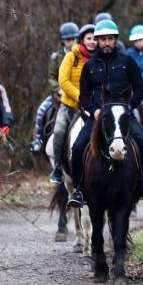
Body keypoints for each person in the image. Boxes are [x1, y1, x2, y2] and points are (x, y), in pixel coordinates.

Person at [68, 19, 143, 207]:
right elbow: (84, 95)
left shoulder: (128, 61)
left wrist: (129, 108)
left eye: (110, 39)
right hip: (97, 117)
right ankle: (79, 190)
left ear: (115, 39)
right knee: (78, 147)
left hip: (123, 115)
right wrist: (94, 110)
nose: (106, 43)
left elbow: (140, 89)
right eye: (102, 39)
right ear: (97, 40)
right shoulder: (89, 66)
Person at [49, 23, 96, 183]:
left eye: (95, 39)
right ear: (82, 40)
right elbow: (63, 80)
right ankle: (57, 168)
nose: (92, 42)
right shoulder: (71, 57)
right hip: (70, 106)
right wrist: (80, 97)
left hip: (93, 107)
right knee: (59, 131)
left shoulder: (100, 58)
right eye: (89, 38)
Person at [30, 22, 79, 153]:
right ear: (63, 40)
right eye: (68, 39)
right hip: (60, 94)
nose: (72, 42)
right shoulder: (56, 57)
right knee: (41, 110)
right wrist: (59, 89)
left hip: (78, 94)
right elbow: (51, 77)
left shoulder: (81, 55)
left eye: (74, 39)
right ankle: (38, 140)